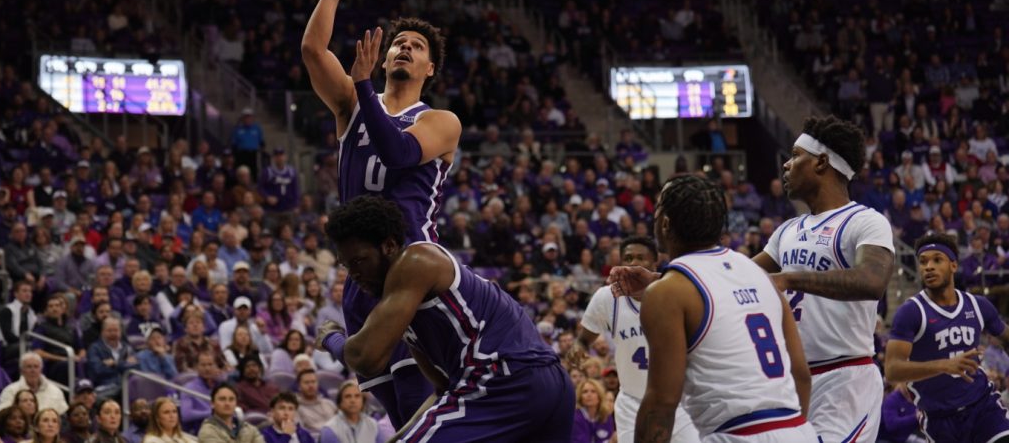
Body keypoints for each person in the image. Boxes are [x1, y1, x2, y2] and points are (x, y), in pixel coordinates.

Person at [302, 0, 461, 429]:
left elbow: (398, 151)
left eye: (417, 46)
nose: (405, 47)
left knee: (420, 413)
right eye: (399, 42)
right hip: (362, 277)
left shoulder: (440, 121)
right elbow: (313, 51)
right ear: (385, 54)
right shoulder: (352, 103)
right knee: (396, 412)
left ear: (429, 69)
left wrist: (365, 87)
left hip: (413, 268)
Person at [318, 195, 573, 443]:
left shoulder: (416, 262)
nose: (354, 274)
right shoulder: (412, 313)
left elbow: (366, 359)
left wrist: (332, 338)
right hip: (550, 385)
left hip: (504, 381)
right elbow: (444, 389)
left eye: (360, 261)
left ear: (389, 246)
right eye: (346, 266)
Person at [611, 175, 814, 442]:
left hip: (737, 434)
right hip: (797, 430)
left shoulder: (666, 293)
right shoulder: (759, 275)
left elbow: (661, 404)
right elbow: (801, 374)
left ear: (665, 223)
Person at [753, 116, 894, 443]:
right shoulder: (786, 231)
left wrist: (790, 279)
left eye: (795, 155)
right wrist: (663, 281)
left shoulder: (865, 221)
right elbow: (734, 277)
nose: (786, 165)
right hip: (789, 381)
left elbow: (871, 280)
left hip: (845, 378)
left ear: (821, 162)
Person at [570, 235, 698, 443]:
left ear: (655, 261)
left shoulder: (675, 292)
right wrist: (569, 361)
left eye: (641, 257)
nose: (634, 263)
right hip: (632, 403)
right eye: (628, 258)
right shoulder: (607, 297)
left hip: (679, 400)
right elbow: (583, 340)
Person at [884, 233, 1009, 442]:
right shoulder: (911, 312)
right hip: (939, 419)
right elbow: (892, 370)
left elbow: (1006, 337)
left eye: (936, 260)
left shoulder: (977, 305)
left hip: (982, 407)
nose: (928, 267)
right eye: (923, 262)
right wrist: (944, 365)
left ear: (953, 265)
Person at [0, 354, 69, 415]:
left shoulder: (55, 391)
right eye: (29, 367)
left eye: (36, 367)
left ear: (41, 370)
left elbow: (64, 416)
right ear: (22, 370)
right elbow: (1, 415)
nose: (33, 370)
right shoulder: (10, 391)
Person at [318, 381, 386, 443]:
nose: (353, 400)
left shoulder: (373, 425)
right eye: (348, 396)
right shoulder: (329, 429)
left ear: (363, 401)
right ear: (340, 402)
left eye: (357, 396)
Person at [195, 384, 262, 443]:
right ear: (212, 404)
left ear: (236, 403)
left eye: (231, 399)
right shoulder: (208, 431)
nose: (227, 403)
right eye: (222, 399)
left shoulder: (249, 429)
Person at [180, 352, 223, 431]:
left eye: (210, 364)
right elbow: (186, 415)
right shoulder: (189, 388)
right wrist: (212, 413)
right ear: (196, 367)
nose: (207, 368)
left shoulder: (222, 386)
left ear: (216, 366)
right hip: (200, 431)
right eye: (203, 365)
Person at [292, 371, 335, 438]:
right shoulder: (295, 408)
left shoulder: (329, 404)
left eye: (313, 382)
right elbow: (300, 434)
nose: (311, 385)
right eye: (307, 382)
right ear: (299, 386)